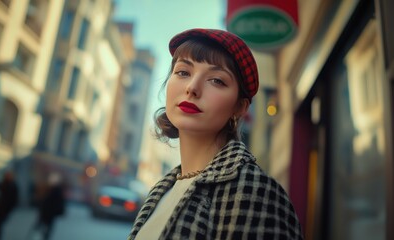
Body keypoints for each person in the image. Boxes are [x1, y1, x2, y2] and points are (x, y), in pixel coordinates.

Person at [128, 28, 303, 240]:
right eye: (183, 72)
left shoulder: (253, 191)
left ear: (239, 107)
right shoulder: (163, 188)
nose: (192, 88)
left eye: (217, 80)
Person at [32, 172, 66, 240]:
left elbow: (56, 202)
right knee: (47, 227)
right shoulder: (52, 189)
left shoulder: (54, 190)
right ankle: (44, 236)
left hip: (49, 212)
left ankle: (44, 236)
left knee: (46, 227)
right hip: (48, 212)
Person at [0, 171, 18, 240]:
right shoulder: (4, 183)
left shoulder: (13, 185)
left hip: (6, 207)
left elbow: (14, 198)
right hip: (0, 206)